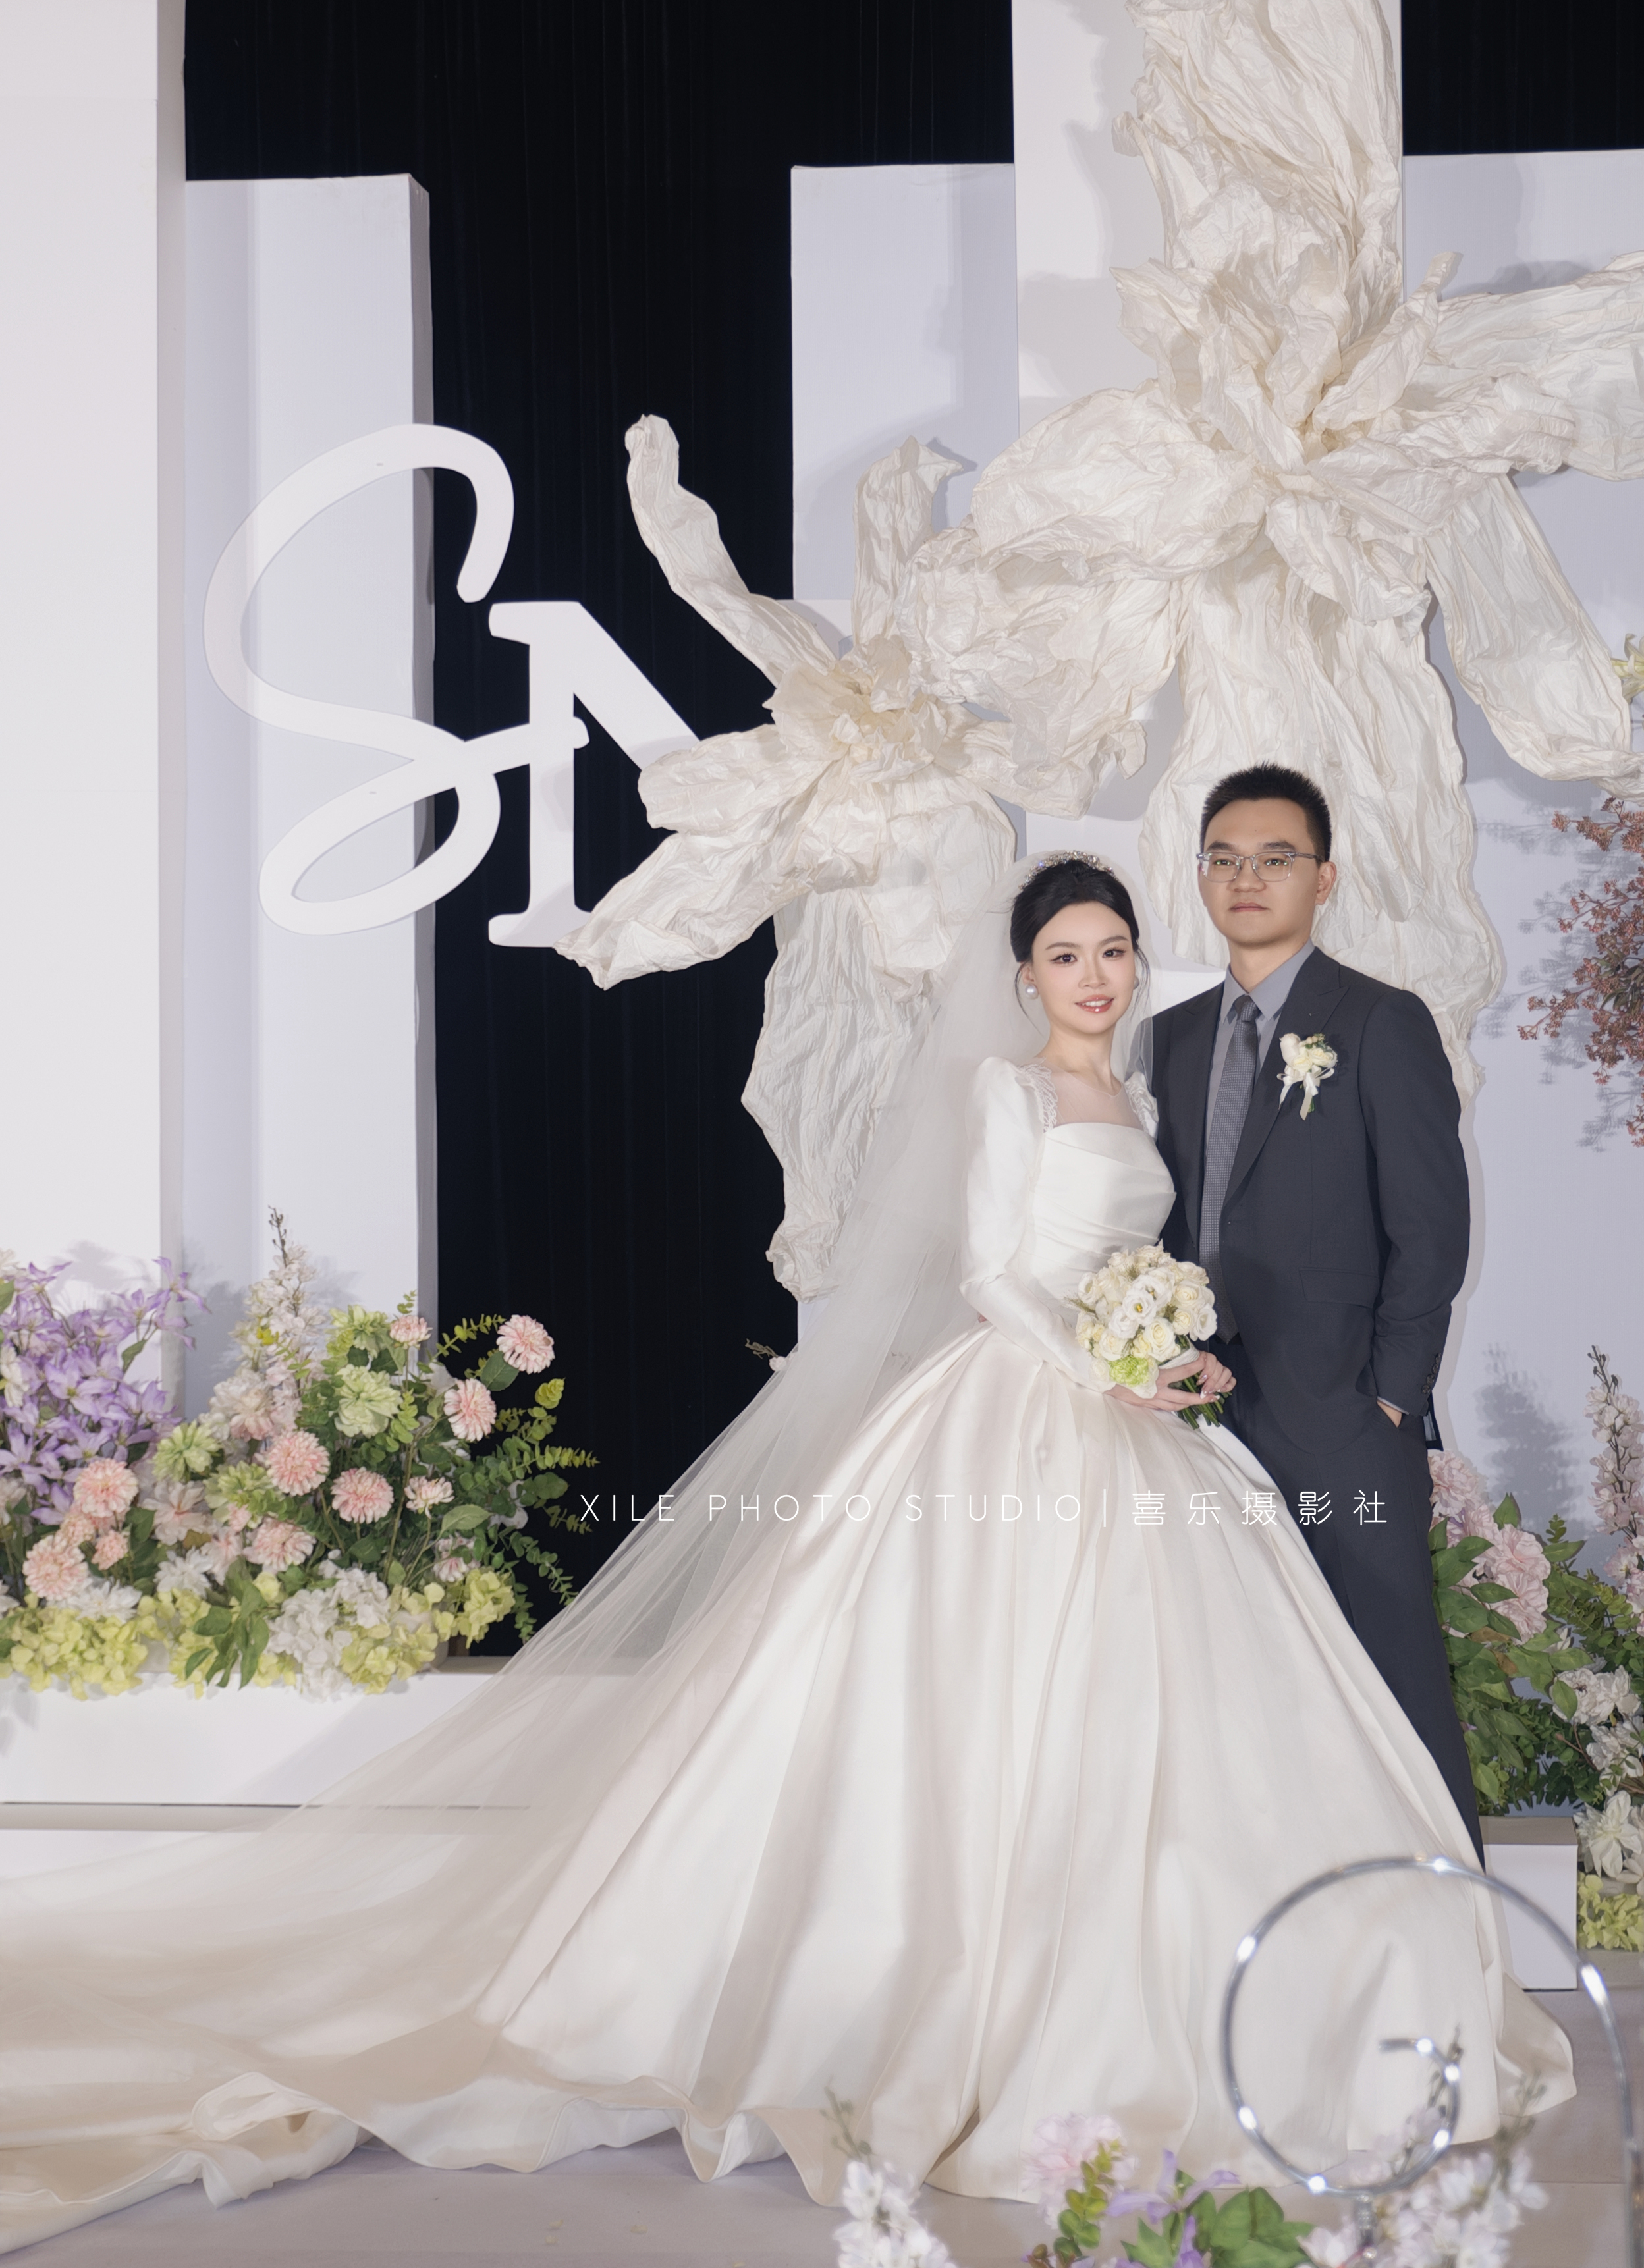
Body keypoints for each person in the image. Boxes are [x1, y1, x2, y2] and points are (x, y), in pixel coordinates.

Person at [0, 855, 1568, 2254]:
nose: (1094, 976)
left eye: (1112, 951)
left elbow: (1145, 1259)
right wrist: (1105, 1360)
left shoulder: (1150, 1098)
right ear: (1023, 976)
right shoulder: (1008, 1094)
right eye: (1066, 955)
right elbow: (994, 1272)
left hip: (1139, 1418)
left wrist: (1168, 1351)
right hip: (1026, 1410)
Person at [1149, 766, 1483, 1854]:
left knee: (1390, 1683)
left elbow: (1431, 1228)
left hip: (1342, 1417)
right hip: (1203, 1419)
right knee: (1239, 1694)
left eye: (1274, 858)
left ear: (1323, 878)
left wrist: (1389, 1397)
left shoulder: (1379, 1021)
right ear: (1202, 874)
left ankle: (1446, 1925)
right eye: (1224, 858)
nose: (1245, 878)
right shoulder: (1168, 1039)